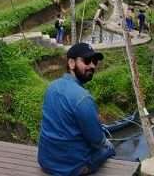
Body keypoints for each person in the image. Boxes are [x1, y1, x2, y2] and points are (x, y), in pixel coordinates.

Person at [38, 43, 114, 176]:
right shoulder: (83, 98)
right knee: (108, 147)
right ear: (71, 63)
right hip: (71, 169)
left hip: (45, 161)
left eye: (94, 61)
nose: (92, 66)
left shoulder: (51, 87)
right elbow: (97, 140)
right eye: (86, 61)